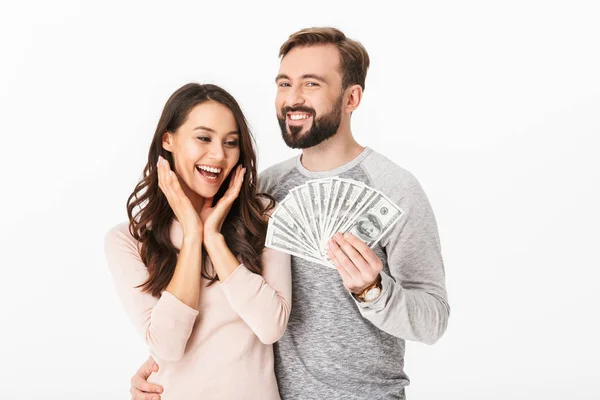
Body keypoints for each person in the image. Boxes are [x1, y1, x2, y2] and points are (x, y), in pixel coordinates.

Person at [130, 27, 450, 400]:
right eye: (284, 84)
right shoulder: (261, 192)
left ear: (352, 97)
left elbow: (434, 321)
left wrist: (374, 292)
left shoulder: (394, 190)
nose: (292, 99)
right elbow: (219, 303)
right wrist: (161, 370)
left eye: (311, 84)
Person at [104, 83, 291, 400]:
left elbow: (271, 325)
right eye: (203, 138)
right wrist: (192, 236)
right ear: (169, 139)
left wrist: (213, 239)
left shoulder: (264, 217)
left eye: (230, 143)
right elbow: (167, 346)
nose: (219, 155)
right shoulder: (127, 240)